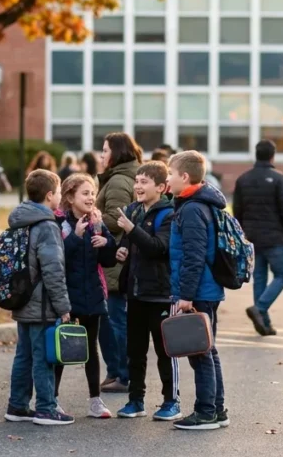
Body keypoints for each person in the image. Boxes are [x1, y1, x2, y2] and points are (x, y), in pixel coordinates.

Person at [5, 169, 74, 427]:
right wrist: (63, 307)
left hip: (21, 298)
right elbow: (53, 270)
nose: (59, 197)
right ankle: (46, 408)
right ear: (49, 195)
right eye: (57, 193)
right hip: (42, 303)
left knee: (23, 355)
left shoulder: (20, 219)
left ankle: (17, 405)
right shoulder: (46, 225)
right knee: (43, 356)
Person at [113, 161, 181, 422]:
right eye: (137, 181)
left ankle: (171, 401)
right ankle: (135, 400)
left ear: (162, 187)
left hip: (161, 293)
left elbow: (158, 247)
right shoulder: (133, 210)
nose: (138, 186)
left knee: (166, 350)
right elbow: (129, 245)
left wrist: (131, 230)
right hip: (136, 292)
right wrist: (121, 251)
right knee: (135, 350)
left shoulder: (169, 214)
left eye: (144, 182)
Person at [166, 150, 228, 431]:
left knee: (200, 352)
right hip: (206, 288)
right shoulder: (196, 203)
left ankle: (205, 413)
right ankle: (216, 410)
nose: (167, 178)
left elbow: (193, 256)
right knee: (208, 349)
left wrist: (185, 296)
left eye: (170, 173)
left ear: (185, 176)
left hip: (199, 291)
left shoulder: (192, 209)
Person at [54, 172, 118, 419]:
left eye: (93, 193)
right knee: (62, 347)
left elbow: (108, 260)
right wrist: (75, 237)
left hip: (92, 294)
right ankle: (53, 399)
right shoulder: (60, 223)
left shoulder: (96, 222)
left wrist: (106, 241)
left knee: (91, 348)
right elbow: (57, 259)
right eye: (85, 193)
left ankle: (95, 401)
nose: (91, 198)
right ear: (70, 197)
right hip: (67, 296)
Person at [234, 140, 283, 337]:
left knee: (259, 277)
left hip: (252, 237)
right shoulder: (279, 179)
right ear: (272, 156)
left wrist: (244, 232)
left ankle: (265, 324)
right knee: (282, 275)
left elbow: (238, 210)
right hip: (274, 237)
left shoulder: (243, 179)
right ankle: (260, 309)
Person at [96, 132, 142, 393]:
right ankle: (120, 373)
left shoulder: (117, 182)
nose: (101, 155)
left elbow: (117, 219)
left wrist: (93, 214)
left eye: (105, 150)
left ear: (116, 152)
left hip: (115, 262)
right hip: (123, 259)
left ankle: (121, 374)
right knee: (117, 319)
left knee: (113, 321)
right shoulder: (131, 176)